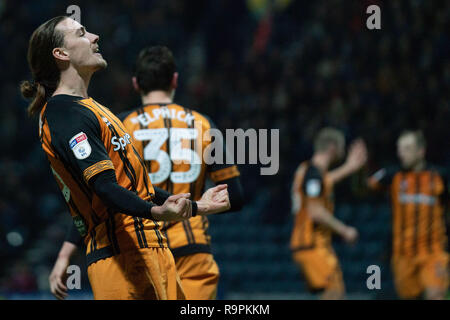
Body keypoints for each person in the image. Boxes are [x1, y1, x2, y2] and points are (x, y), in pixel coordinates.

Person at [21, 16, 230, 300]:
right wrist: (157, 212)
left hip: (152, 252)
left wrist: (196, 206)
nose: (94, 36)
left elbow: (133, 186)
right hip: (121, 258)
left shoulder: (94, 109)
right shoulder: (63, 113)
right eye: (82, 33)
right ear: (61, 54)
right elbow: (104, 188)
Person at [367, 130, 449, 300]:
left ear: (421, 151)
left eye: (407, 148)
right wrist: (357, 167)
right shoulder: (392, 175)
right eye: (400, 148)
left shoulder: (440, 177)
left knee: (436, 295)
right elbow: (365, 188)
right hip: (402, 254)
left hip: (433, 251)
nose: (401, 153)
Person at [290, 128, 367, 299]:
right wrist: (345, 230)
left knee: (334, 293)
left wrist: (350, 167)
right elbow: (315, 211)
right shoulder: (314, 174)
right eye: (341, 147)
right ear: (333, 147)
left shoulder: (308, 170)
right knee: (334, 294)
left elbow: (326, 181)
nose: (343, 151)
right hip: (312, 243)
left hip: (309, 244)